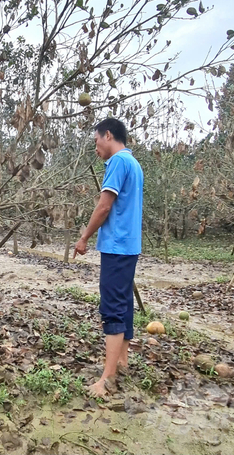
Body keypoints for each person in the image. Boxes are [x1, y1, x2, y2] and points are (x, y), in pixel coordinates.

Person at [73, 118, 143, 398]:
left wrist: (84, 237)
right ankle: (122, 361)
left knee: (112, 307)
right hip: (130, 245)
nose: (96, 147)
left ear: (109, 135)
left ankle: (108, 378)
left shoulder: (117, 162)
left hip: (116, 245)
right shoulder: (134, 164)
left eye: (96, 141)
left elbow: (104, 206)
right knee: (124, 303)